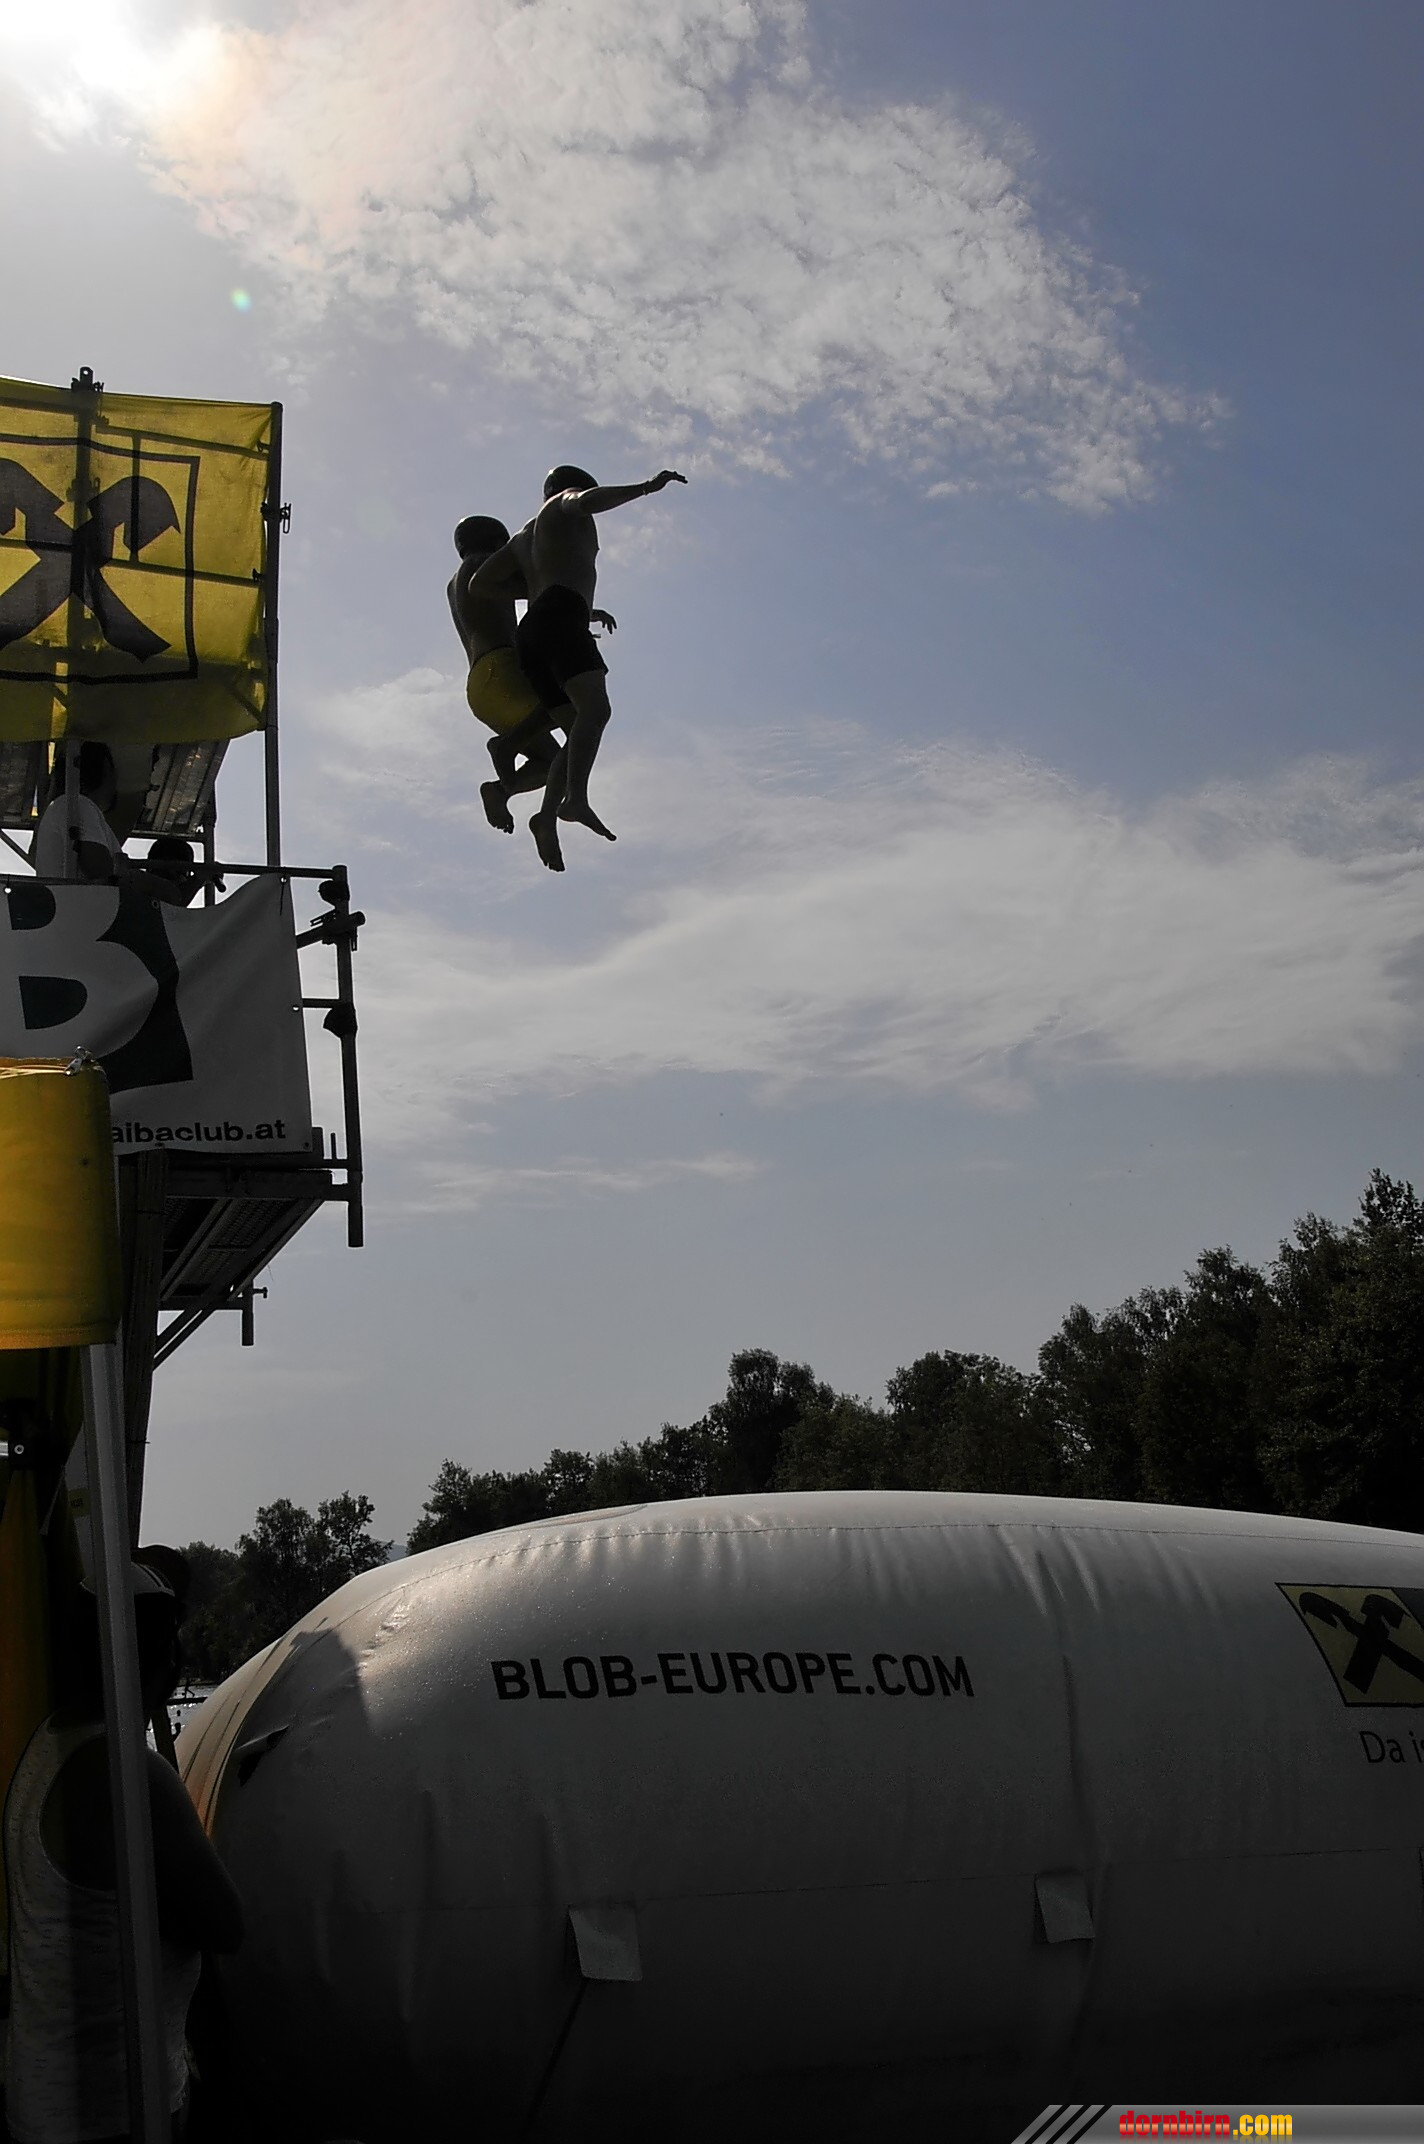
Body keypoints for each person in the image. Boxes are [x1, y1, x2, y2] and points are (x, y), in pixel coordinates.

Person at [3, 1559, 244, 2144]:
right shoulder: (130, 1771)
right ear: (161, 1661)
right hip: (113, 2109)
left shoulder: (46, 1744)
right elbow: (226, 1924)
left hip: (46, 2097)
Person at [469, 465, 686, 870]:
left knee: (577, 732)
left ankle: (546, 817)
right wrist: (646, 488)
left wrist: (538, 592)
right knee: (596, 711)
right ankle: (576, 799)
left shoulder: (523, 538)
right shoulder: (562, 505)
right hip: (559, 616)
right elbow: (584, 501)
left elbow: (480, 583)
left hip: (534, 629)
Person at [447, 514, 566, 838]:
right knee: (579, 703)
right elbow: (538, 587)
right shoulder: (484, 564)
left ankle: (501, 790)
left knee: (555, 763)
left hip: (481, 687)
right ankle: (506, 747)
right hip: (503, 670)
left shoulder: (454, 583)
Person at [30, 746, 205, 907]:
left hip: (73, 916)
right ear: (106, 770)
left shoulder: (65, 806)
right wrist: (152, 884)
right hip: (83, 917)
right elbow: (100, 870)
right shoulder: (79, 805)